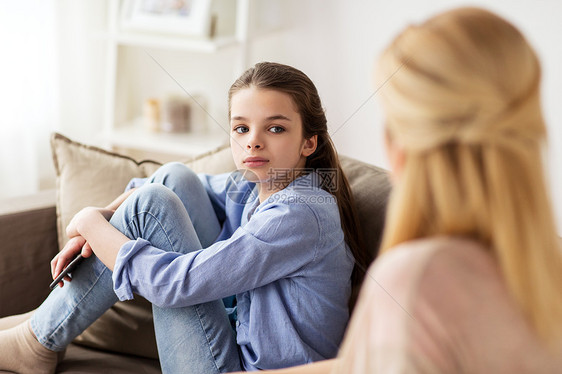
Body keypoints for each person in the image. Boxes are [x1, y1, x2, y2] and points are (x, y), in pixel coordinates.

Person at [244, 6, 562, 374]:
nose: (253, 142)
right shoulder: (544, 273)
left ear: (401, 144)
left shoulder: (418, 278)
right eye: (241, 128)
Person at [0, 62, 369, 373]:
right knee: (174, 178)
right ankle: (44, 328)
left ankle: (38, 340)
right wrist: (104, 214)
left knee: (152, 205)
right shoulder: (259, 186)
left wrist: (89, 224)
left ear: (309, 142)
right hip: (230, 327)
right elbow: (172, 181)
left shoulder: (298, 214)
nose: (253, 141)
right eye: (241, 128)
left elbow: (175, 284)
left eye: (275, 128)